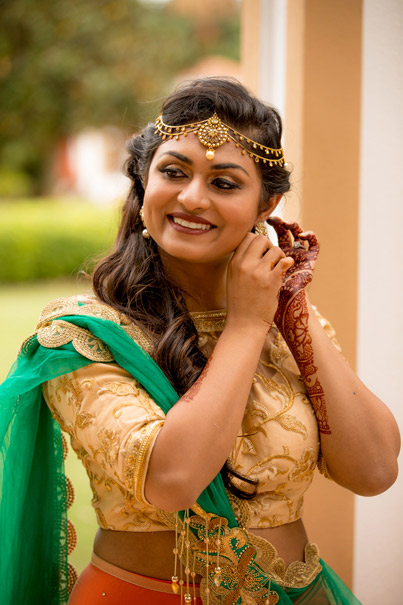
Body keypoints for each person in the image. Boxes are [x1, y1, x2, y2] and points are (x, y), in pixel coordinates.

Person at [0, 78, 400, 605]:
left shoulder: (285, 322)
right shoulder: (84, 336)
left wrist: (291, 307)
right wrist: (246, 327)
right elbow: (174, 479)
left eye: (225, 183)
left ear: (268, 204)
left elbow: (373, 471)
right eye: (173, 172)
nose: (192, 197)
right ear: (144, 182)